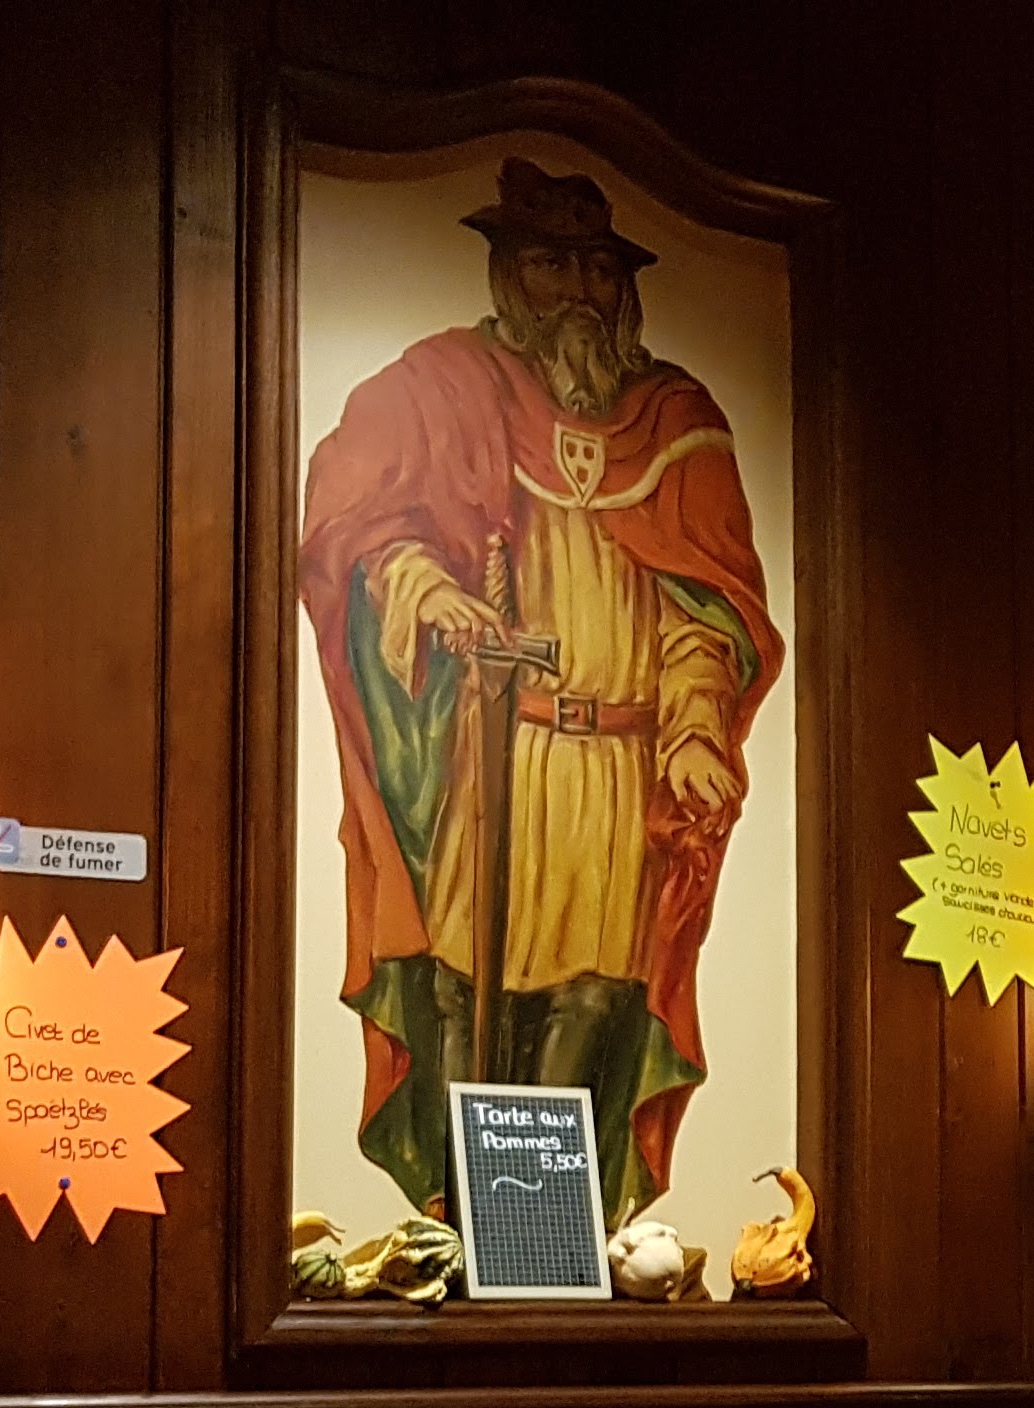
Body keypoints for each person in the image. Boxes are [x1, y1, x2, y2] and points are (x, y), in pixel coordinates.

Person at [299, 159, 785, 1229]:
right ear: (508, 274)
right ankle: (462, 1225)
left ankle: (550, 1236)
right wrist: (424, 588)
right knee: (462, 987)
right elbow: (360, 524)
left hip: (617, 774)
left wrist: (694, 730)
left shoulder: (678, 422)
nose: (577, 292)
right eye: (550, 264)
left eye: (596, 269)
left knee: (594, 997)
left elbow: (702, 614)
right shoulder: (441, 388)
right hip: (495, 751)